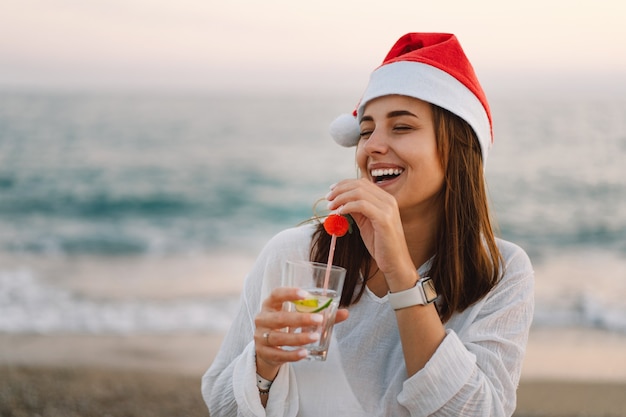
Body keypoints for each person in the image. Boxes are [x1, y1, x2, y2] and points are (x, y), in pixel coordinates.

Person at [202, 32, 534, 417]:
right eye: (365, 130)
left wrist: (400, 271)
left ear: (458, 147)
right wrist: (262, 365)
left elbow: (479, 412)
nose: (371, 146)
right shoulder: (293, 254)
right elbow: (223, 407)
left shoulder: (502, 271)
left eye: (402, 127)